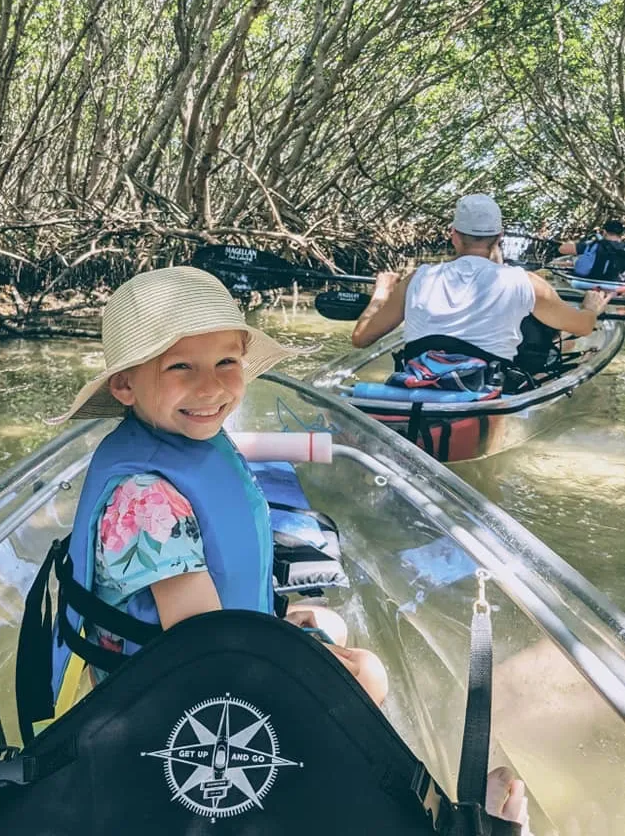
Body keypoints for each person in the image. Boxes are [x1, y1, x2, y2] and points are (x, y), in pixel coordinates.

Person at [52, 265, 388, 709]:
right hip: (179, 703)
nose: (210, 388)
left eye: (226, 362)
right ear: (125, 384)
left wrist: (279, 620)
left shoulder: (178, 432)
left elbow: (220, 469)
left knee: (331, 623)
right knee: (368, 672)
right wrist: (304, 652)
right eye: (180, 367)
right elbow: (212, 655)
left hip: (205, 650)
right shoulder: (146, 500)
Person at [352, 194, 613, 374]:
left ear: (453, 235)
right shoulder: (526, 282)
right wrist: (591, 307)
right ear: (499, 237)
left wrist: (382, 292)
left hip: (416, 383)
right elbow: (582, 327)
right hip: (485, 387)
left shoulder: (417, 279)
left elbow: (361, 338)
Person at [559, 219, 625, 283]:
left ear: (604, 232)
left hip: (586, 282)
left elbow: (562, 249)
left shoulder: (594, 244)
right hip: (611, 285)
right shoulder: (623, 249)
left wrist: (577, 243)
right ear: (621, 235)